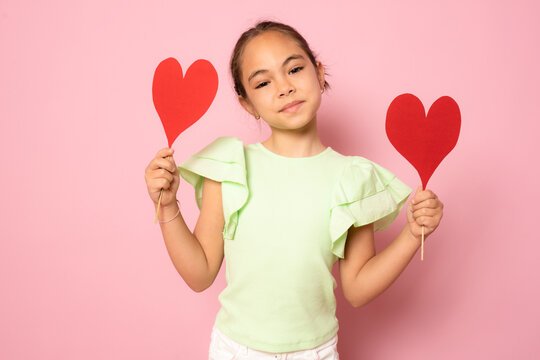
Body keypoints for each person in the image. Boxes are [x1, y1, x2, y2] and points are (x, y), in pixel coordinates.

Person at [144, 20, 444, 360]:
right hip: (235, 351)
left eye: (295, 69)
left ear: (318, 71)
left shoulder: (352, 178)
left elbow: (358, 289)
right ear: (247, 104)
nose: (284, 87)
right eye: (263, 82)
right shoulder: (229, 167)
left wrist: (411, 234)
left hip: (314, 352)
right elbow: (199, 274)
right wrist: (169, 207)